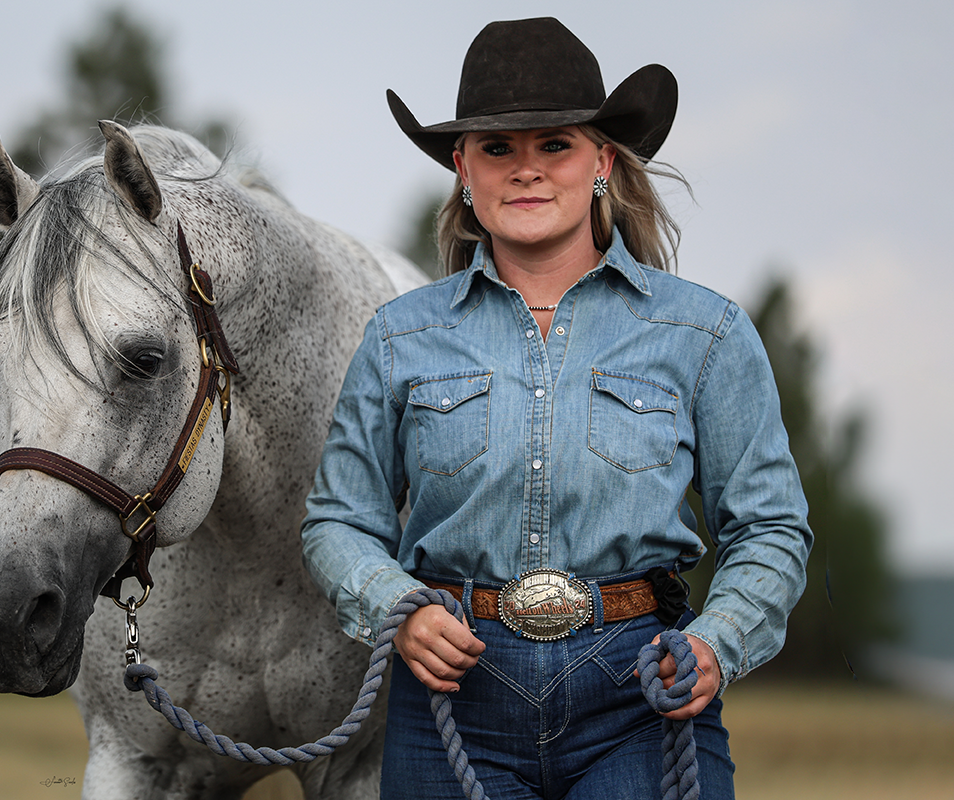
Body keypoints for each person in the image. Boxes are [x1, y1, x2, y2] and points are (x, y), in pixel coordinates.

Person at [301, 17, 811, 799]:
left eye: (555, 145)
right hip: (451, 703)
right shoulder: (401, 336)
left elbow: (770, 525)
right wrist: (394, 609)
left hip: (642, 695)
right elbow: (340, 519)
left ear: (602, 160)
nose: (526, 170)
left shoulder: (704, 333)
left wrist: (717, 640)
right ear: (463, 171)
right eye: (498, 148)